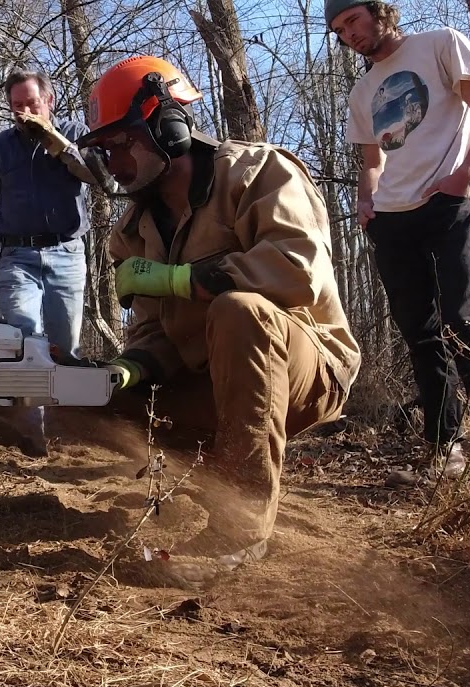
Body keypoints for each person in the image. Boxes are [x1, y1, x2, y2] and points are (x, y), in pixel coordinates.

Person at [74, 56, 361, 589]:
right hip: (213, 380)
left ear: (166, 124)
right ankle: (211, 481)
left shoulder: (258, 173)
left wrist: (180, 279)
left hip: (307, 368)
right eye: (104, 151)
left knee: (239, 310)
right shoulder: (133, 229)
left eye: (120, 144)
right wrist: (127, 369)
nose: (113, 163)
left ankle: (243, 525)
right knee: (91, 395)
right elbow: (155, 332)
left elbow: (298, 271)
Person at [329, 0, 470, 478]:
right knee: (421, 336)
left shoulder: (440, 44)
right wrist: (366, 203)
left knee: (461, 322)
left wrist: (463, 177)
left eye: (352, 20)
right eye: (339, 29)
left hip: (448, 204)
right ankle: (445, 453)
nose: (348, 33)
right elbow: (372, 160)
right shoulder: (363, 89)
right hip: (392, 220)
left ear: (377, 11)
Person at [0, 69, 97, 456]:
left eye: (31, 104)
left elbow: (95, 174)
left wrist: (55, 141)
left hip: (67, 252)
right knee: (23, 337)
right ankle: (31, 438)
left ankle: (65, 438)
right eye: (17, 106)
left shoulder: (75, 130)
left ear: (49, 101)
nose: (24, 112)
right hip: (16, 255)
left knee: (63, 347)